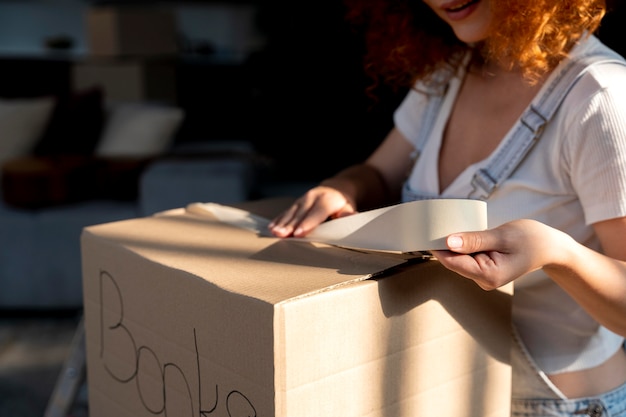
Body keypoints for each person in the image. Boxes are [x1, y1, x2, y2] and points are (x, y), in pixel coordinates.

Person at [267, 0, 626, 415]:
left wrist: (556, 254)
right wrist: (344, 186)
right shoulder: (448, 75)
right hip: (440, 392)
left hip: (553, 405)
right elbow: (378, 172)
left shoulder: (601, 96)